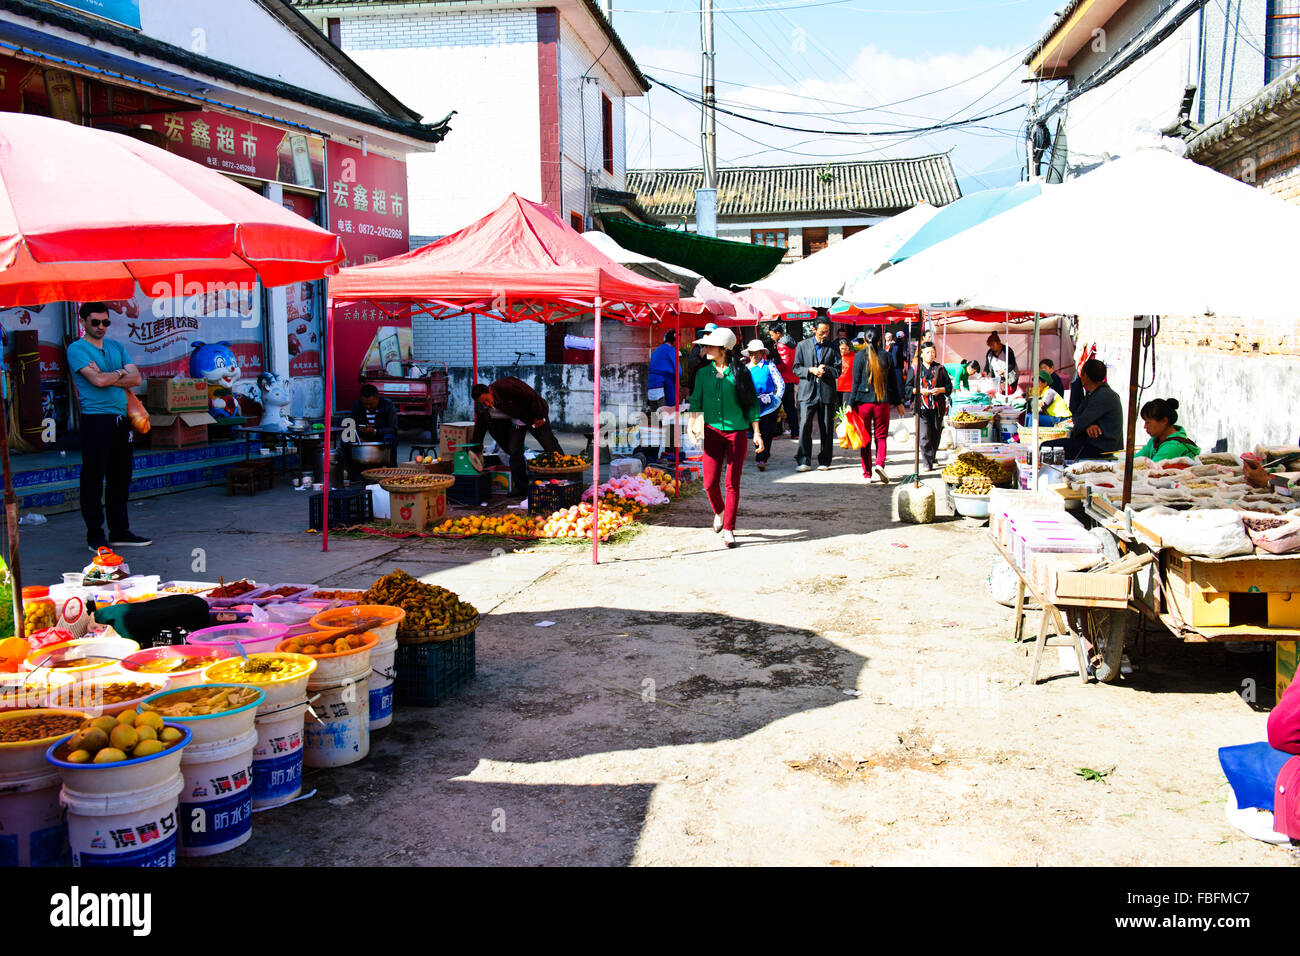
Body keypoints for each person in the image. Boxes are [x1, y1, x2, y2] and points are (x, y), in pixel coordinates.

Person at [67, 302, 151, 551]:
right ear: (83, 321)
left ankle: (120, 530)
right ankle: (95, 534)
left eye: (105, 322)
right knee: (93, 477)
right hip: (96, 419)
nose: (101, 327)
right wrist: (117, 375)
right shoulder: (77, 349)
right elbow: (96, 381)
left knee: (120, 477)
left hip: (120, 418)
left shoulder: (115, 346)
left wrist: (108, 375)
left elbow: (135, 378)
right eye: (95, 322)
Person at [689, 327, 762, 548]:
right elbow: (696, 402)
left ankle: (729, 528)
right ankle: (719, 511)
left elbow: (751, 404)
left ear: (723, 349)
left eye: (710, 345)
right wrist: (693, 425)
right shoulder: (703, 374)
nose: (706, 348)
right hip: (711, 432)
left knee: (732, 483)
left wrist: (757, 433)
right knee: (709, 483)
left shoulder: (741, 372)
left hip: (736, 433)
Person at [470, 377, 563, 497]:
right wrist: (476, 448)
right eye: (483, 403)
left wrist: (539, 415)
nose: (487, 404)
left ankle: (565, 479)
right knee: (514, 451)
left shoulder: (506, 386)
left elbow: (532, 396)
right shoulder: (482, 407)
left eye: (487, 400)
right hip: (516, 422)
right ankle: (521, 487)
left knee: (549, 444)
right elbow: (480, 427)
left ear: (490, 391)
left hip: (534, 416)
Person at [850, 328, 903, 483]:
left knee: (865, 439)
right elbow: (893, 382)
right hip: (882, 402)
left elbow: (856, 382)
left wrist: (850, 403)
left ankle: (867, 473)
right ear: (880, 340)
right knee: (881, 437)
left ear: (865, 341)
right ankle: (880, 463)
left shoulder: (859, 356)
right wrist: (899, 402)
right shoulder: (886, 355)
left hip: (863, 403)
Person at [1044, 358, 1123, 461]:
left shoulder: (1103, 396)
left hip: (1100, 447)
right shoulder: (1095, 393)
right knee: (1048, 447)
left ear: (1085, 376)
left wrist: (1084, 426)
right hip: (1095, 443)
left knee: (1046, 448)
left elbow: (1078, 424)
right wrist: (1087, 426)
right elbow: (1077, 416)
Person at [792, 318, 842, 472]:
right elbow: (796, 368)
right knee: (804, 426)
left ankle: (825, 460)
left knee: (826, 427)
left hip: (826, 392)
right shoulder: (802, 345)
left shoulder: (833, 347)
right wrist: (810, 370)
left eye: (827, 332)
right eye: (821, 332)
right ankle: (803, 460)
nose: (824, 335)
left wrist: (825, 369)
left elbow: (838, 371)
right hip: (807, 392)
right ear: (814, 330)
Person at [912, 342, 952, 472]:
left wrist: (941, 390)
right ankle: (927, 462)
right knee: (924, 436)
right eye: (928, 352)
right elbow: (908, 388)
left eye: (933, 352)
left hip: (937, 406)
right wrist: (919, 391)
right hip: (922, 407)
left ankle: (932, 456)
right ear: (922, 354)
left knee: (935, 434)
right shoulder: (915, 369)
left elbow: (948, 387)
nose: (931, 355)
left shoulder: (940, 368)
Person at [345, 383, 399, 479]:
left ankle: (392, 471)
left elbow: (393, 428)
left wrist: (375, 431)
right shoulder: (357, 405)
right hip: (363, 437)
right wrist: (358, 436)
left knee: (391, 438)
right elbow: (351, 424)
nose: (368, 406)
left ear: (377, 398)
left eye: (371, 404)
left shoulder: (388, 405)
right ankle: (353, 474)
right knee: (346, 440)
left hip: (381, 435)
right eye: (365, 404)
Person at [745, 339, 784, 472]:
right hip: (752, 404)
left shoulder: (769, 366)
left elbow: (780, 384)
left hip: (769, 404)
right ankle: (759, 452)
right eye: (751, 353)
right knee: (755, 431)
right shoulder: (746, 368)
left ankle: (762, 458)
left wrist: (777, 399)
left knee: (767, 432)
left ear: (762, 353)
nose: (754, 356)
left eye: (757, 353)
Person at [1135, 397, 1200, 462]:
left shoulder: (1173, 447)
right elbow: (1135, 459)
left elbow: (1154, 469)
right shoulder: (1154, 441)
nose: (1145, 426)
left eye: (1148, 422)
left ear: (1164, 421)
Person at [770, 325, 800, 439]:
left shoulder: (781, 344)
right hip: (791, 379)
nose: (772, 337)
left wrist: (773, 367)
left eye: (772, 335)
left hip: (781, 380)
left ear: (778, 333)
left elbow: (785, 363)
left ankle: (773, 433)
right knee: (790, 407)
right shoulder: (792, 343)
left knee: (775, 406)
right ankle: (795, 433)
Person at [647, 330, 679, 414]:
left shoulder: (656, 350)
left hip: (651, 385)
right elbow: (678, 370)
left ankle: (656, 426)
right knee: (667, 415)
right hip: (664, 386)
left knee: (655, 416)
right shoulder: (671, 350)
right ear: (675, 340)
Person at [684, 323, 717, 397]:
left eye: (710, 334)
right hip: (698, 384)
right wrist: (700, 355)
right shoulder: (698, 347)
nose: (707, 335)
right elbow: (690, 364)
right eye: (706, 333)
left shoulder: (719, 349)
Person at [835, 340, 855, 409]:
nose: (843, 351)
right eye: (841, 349)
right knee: (838, 409)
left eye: (845, 348)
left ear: (849, 347)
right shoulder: (836, 355)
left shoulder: (854, 356)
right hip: (837, 386)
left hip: (848, 386)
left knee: (846, 407)